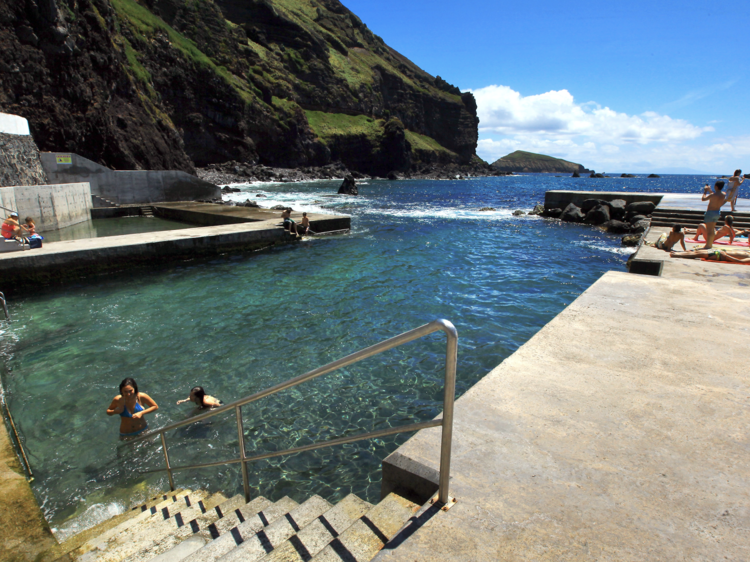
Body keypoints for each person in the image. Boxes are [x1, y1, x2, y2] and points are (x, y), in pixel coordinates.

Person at [700, 181, 726, 249]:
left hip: (710, 212)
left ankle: (708, 245)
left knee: (709, 230)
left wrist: (705, 191)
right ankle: (710, 244)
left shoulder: (713, 195)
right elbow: (715, 195)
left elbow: (703, 199)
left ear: (716, 186)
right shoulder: (723, 194)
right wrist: (709, 190)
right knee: (712, 229)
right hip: (717, 212)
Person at [669, 248, 750, 263]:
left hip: (720, 255)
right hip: (720, 251)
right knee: (698, 252)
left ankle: (677, 255)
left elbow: (740, 261)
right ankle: (678, 253)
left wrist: (726, 255)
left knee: (698, 254)